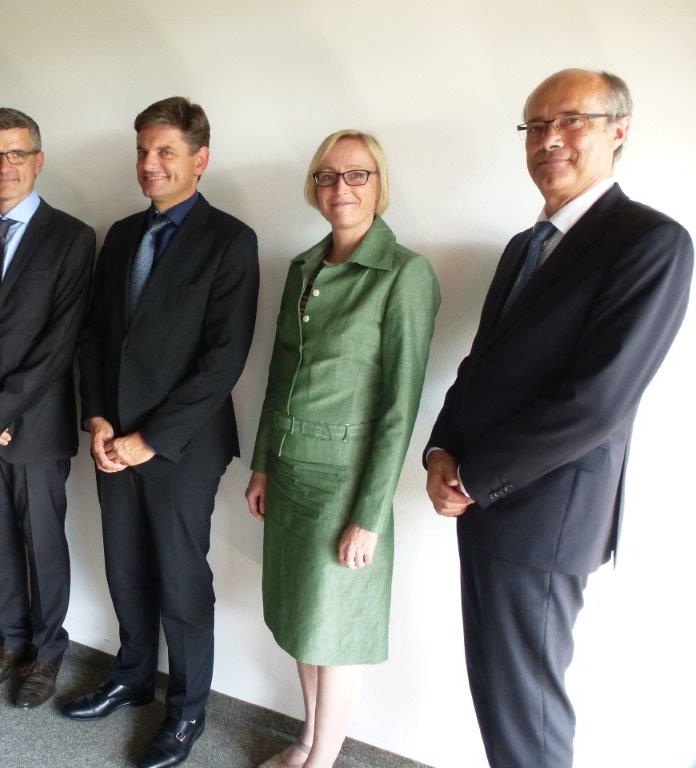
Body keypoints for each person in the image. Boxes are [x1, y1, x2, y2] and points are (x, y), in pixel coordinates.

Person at [425, 69, 693, 768]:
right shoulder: (526, 244)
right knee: (498, 694)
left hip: (545, 517)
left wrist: (474, 478)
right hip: (484, 502)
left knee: (528, 715)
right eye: (537, 126)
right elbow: (479, 366)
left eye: (571, 120)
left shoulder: (651, 242)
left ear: (618, 130)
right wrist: (441, 450)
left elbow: (598, 401)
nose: (549, 139)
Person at [66, 96, 260, 768]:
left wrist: (148, 440)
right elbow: (95, 337)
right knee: (124, 566)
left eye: (165, 151)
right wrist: (97, 419)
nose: (149, 163)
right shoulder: (121, 235)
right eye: (143, 150)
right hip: (111, 440)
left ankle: (186, 712)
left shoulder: (230, 240)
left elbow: (223, 359)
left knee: (180, 580)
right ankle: (131, 675)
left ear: (200, 160)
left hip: (182, 447)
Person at [245, 131, 439, 768]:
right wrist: (262, 463)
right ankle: (308, 741)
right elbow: (280, 372)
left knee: (337, 633)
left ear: (379, 185)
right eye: (327, 176)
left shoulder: (405, 274)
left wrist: (370, 516)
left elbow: (400, 408)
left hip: (346, 482)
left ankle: (322, 762)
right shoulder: (304, 269)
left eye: (357, 175)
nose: (341, 188)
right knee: (303, 620)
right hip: (290, 472)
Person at [0, 107, 94, 708]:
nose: (4, 165)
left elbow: (60, 341)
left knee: (42, 542)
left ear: (38, 160)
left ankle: (47, 651)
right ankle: (8, 639)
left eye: (17, 153)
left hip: (35, 425)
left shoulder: (72, 237)